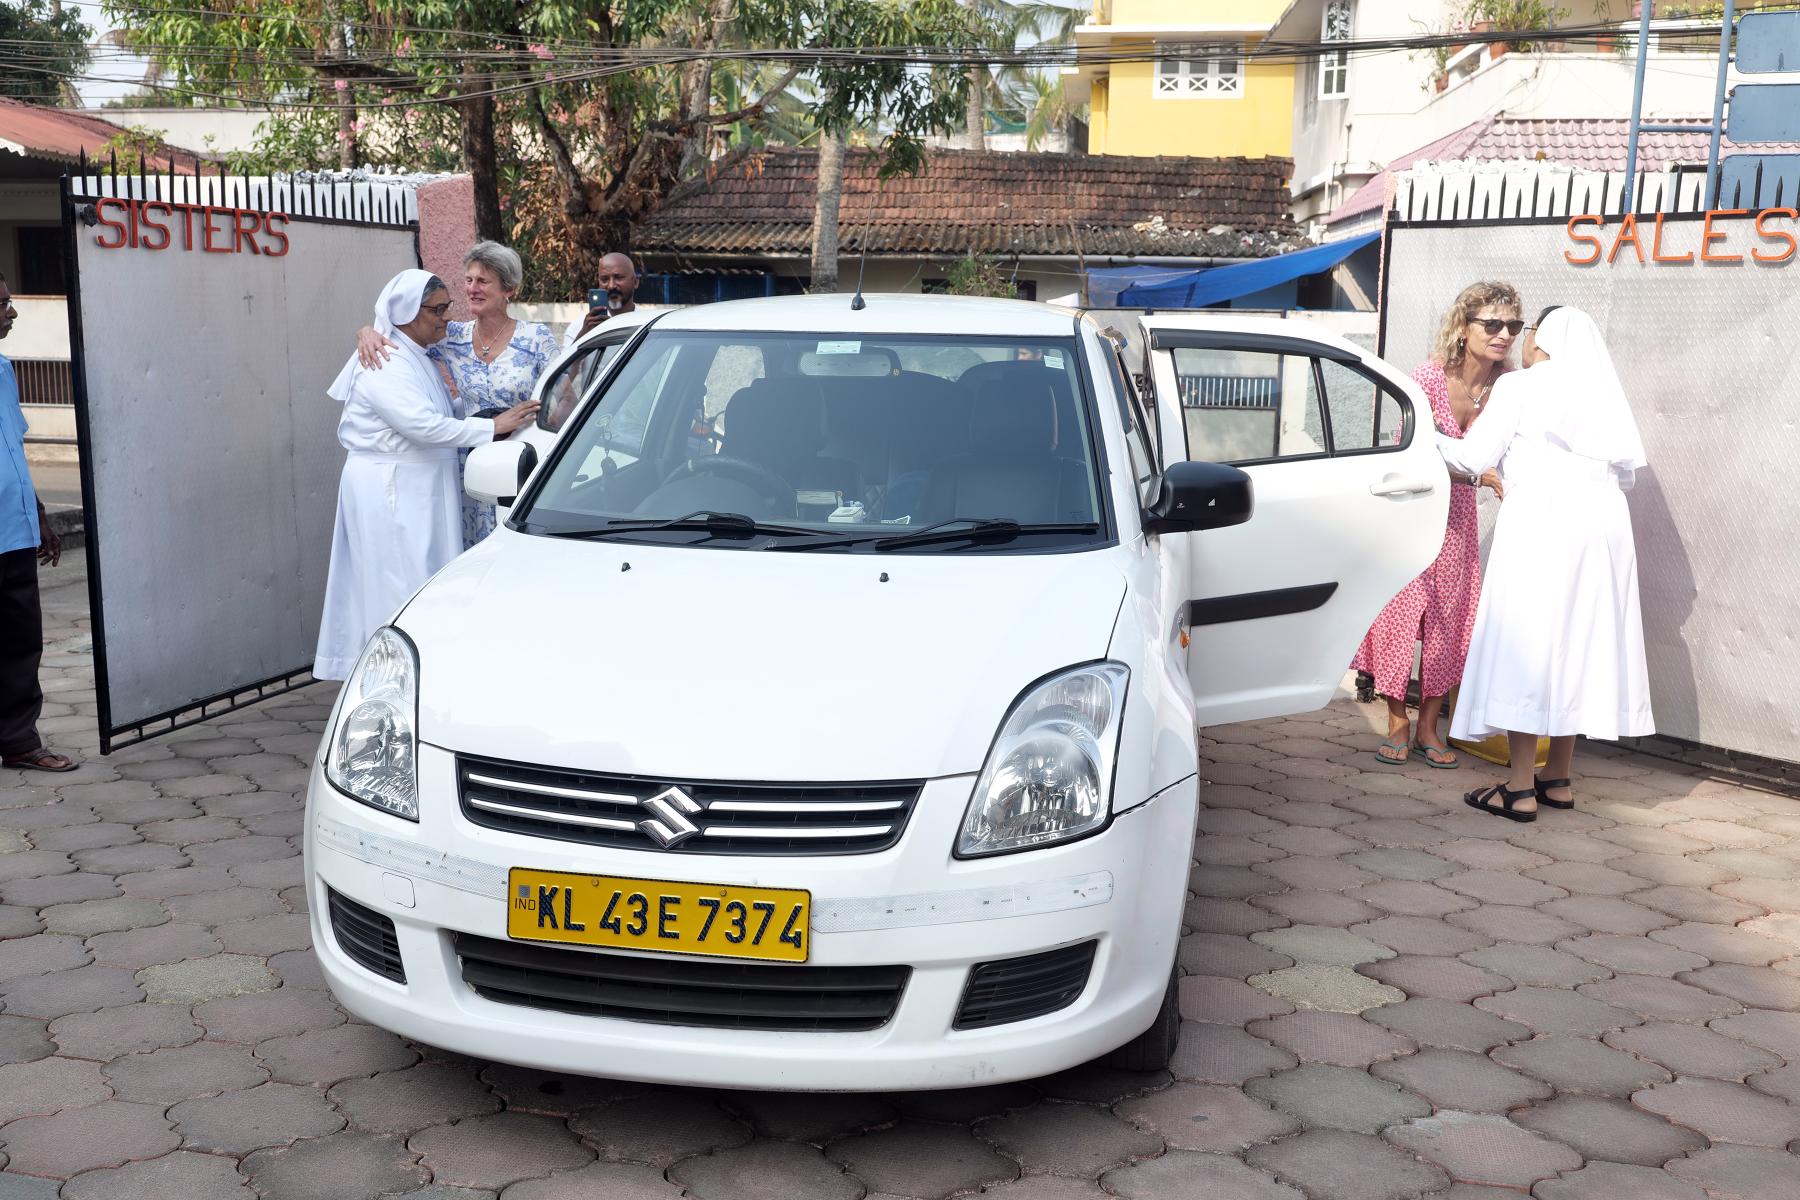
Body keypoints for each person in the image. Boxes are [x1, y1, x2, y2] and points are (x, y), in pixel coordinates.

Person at [1439, 306, 1654, 822]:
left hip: (1541, 527)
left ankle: (1518, 788)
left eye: (1528, 331)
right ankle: (1557, 779)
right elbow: (1623, 475)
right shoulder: (1602, 392)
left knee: (1529, 645)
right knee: (1577, 646)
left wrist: (1423, 437)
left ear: (1545, 338)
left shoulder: (1520, 386)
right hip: (1602, 533)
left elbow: (1471, 459)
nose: (1522, 341)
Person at [315, 271, 539, 681]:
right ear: (406, 313)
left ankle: (425, 672)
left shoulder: (415, 352)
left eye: (447, 307)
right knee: (395, 583)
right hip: (391, 491)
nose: (446, 318)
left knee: (422, 578)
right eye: (437, 310)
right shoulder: (384, 360)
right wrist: (493, 426)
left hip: (417, 488)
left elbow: (441, 411)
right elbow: (422, 426)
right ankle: (392, 678)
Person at [1352, 281, 1518, 768]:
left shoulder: (1509, 386)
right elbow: (1410, 450)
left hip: (1460, 516)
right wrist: (1476, 473)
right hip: (1415, 507)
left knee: (1449, 620)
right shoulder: (1426, 378)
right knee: (1399, 614)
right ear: (1464, 327)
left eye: (1513, 325)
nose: (1504, 334)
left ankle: (1429, 726)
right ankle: (1396, 720)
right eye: (1492, 323)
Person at [354, 242, 558, 548]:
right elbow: (404, 336)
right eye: (469, 280)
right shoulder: (452, 337)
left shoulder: (536, 338)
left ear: (509, 289)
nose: (472, 289)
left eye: (483, 281)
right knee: (470, 548)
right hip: (468, 465)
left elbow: (562, 399)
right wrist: (367, 331)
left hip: (522, 462)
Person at [0, 274, 75, 772]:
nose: (12, 311)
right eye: (2, 303)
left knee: (21, 642)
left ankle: (19, 742)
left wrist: (40, 515)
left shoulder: (5, 370)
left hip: (14, 532)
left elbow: (14, 449)